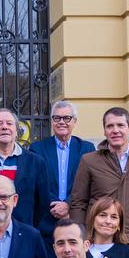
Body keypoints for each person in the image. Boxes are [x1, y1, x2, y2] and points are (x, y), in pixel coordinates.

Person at [69, 107, 129, 243]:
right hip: (100, 240)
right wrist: (82, 237)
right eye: (110, 126)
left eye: (120, 125)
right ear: (104, 131)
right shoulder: (89, 161)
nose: (115, 130)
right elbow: (78, 203)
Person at [0, 108, 50, 231]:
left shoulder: (36, 162)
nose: (4, 127)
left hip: (25, 236)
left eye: (9, 123)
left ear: (16, 131)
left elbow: (43, 206)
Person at [29, 100, 95, 238]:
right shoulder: (37, 149)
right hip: (46, 220)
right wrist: (55, 206)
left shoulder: (87, 149)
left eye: (67, 118)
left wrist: (67, 205)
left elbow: (89, 183)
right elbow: (36, 183)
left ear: (75, 121)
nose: (61, 122)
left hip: (77, 218)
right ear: (52, 121)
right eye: (57, 118)